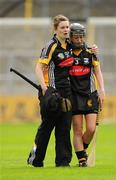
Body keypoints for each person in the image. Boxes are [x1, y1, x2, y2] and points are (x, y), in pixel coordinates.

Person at [27, 14, 74, 167]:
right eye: (63, 27)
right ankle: (36, 159)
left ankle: (63, 161)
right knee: (46, 128)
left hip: (66, 93)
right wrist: (45, 89)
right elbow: (38, 68)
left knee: (64, 127)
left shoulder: (70, 45)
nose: (66, 30)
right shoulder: (51, 46)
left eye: (67, 27)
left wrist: (94, 49)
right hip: (52, 94)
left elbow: (84, 50)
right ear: (56, 29)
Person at [69, 23, 105, 167]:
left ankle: (81, 150)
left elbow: (97, 71)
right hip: (73, 95)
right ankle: (82, 159)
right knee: (77, 129)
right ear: (71, 37)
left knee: (91, 128)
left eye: (81, 36)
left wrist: (102, 90)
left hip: (90, 94)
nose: (78, 40)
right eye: (76, 37)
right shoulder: (66, 52)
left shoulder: (90, 51)